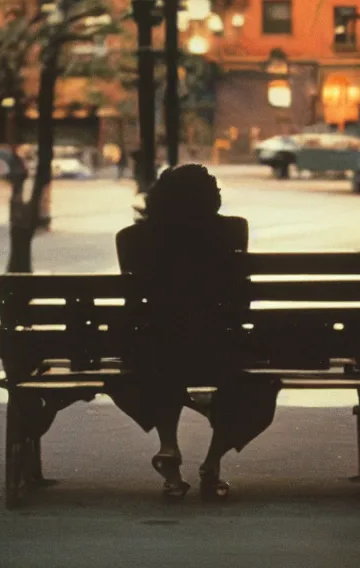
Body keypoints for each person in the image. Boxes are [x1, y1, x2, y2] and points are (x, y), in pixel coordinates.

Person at [112, 164, 280, 500]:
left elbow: (133, 304)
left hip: (156, 350)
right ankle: (212, 461)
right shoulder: (233, 231)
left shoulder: (130, 238)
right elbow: (241, 300)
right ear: (205, 199)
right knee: (259, 379)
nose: (219, 195)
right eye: (214, 190)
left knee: (154, 361)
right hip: (219, 350)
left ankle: (169, 446)